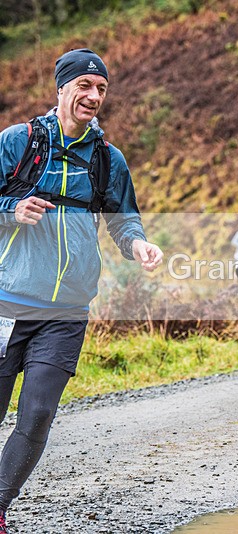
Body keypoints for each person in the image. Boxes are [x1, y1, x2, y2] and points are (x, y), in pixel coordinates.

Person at [0, 48, 163, 530]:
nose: (93, 97)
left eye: (102, 89)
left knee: (37, 414)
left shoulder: (108, 160)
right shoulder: (19, 142)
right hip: (9, 303)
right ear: (62, 88)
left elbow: (123, 217)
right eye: (85, 87)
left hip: (68, 311)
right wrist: (12, 210)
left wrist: (138, 245)